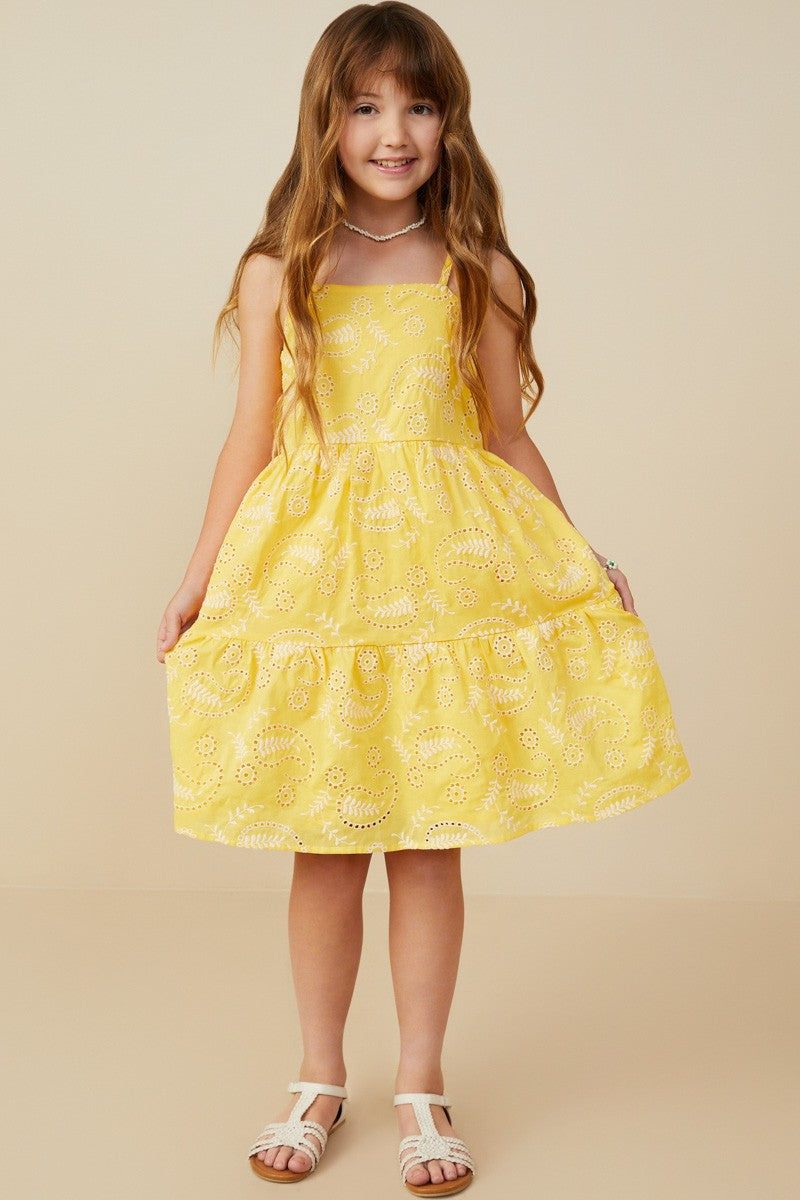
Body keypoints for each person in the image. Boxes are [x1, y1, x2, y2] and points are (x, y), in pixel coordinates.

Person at [156, 2, 691, 1193]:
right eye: (365, 106)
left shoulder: (475, 270)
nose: (392, 131)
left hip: (442, 580)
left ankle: (418, 1083)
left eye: (418, 105)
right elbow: (250, 438)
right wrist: (197, 581)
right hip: (321, 580)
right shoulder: (278, 271)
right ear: (326, 121)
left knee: (427, 839)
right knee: (324, 842)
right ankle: (316, 1076)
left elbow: (503, 433)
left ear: (449, 122)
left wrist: (576, 552)